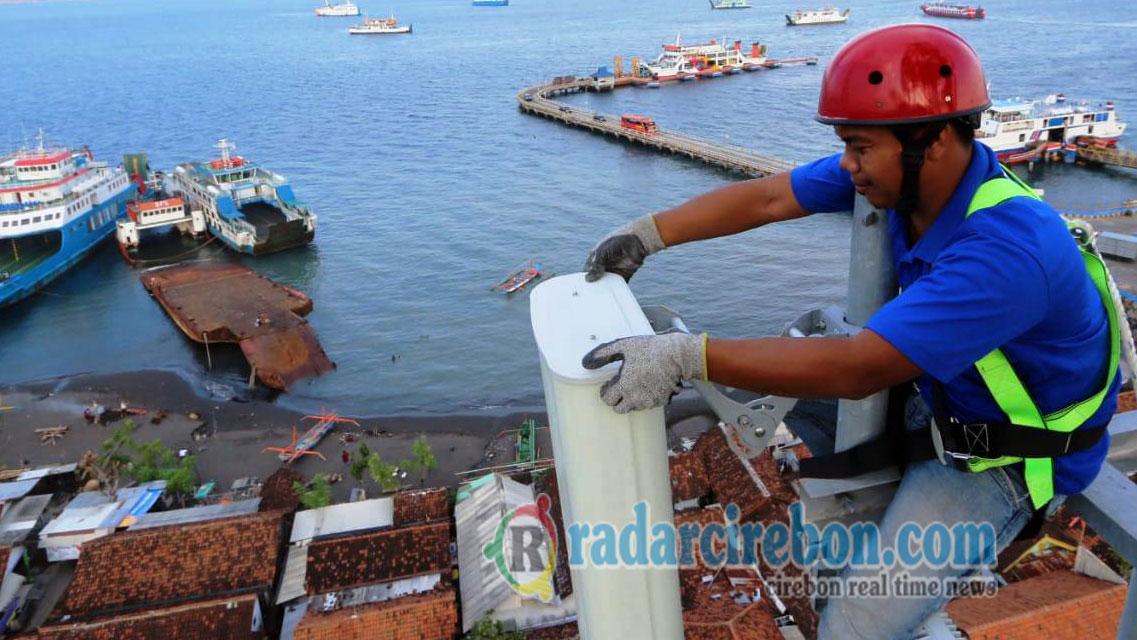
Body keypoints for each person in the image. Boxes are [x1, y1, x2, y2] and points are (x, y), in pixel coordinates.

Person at [581, 24, 1118, 639]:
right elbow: (767, 199)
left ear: (934, 141)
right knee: (781, 422)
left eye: (859, 147)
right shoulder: (904, 179)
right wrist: (649, 233)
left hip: (1005, 460)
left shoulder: (1005, 252)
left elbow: (860, 366)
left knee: (854, 628)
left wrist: (686, 356)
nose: (846, 164)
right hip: (946, 397)